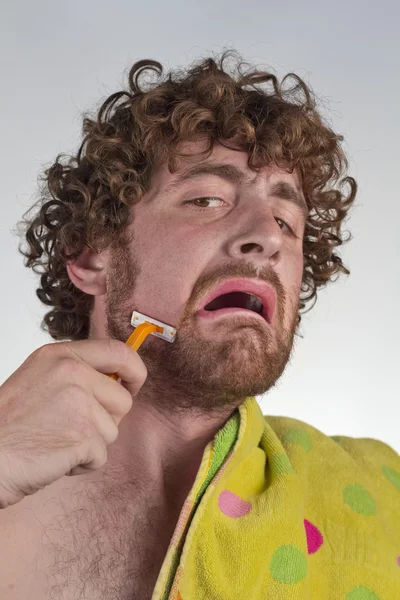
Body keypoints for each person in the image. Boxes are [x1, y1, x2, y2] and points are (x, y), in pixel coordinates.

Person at [0, 50, 399, 600]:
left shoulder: (384, 494)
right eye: (208, 199)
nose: (268, 236)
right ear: (93, 258)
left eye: (288, 220)